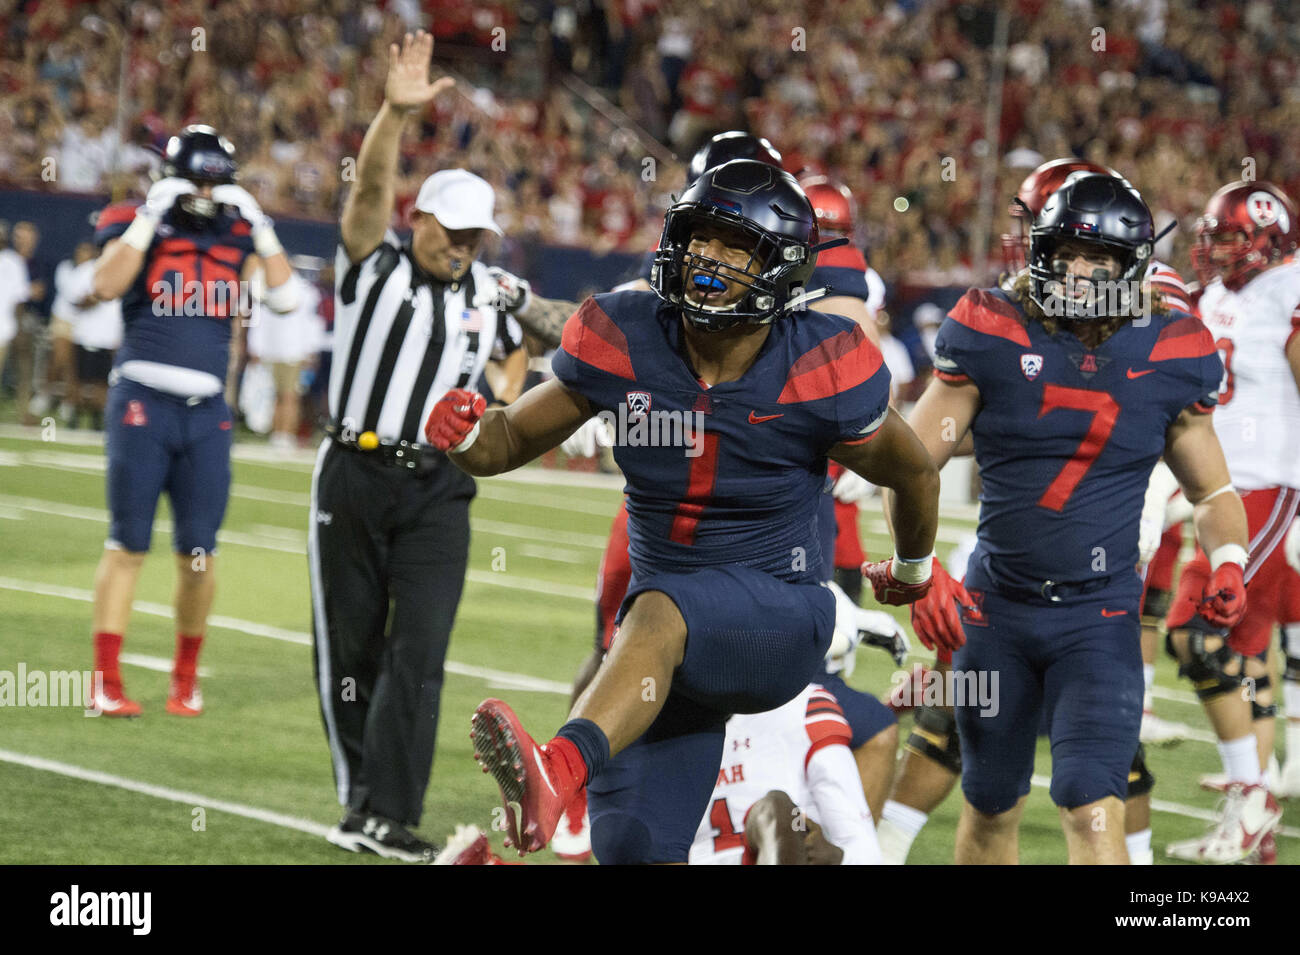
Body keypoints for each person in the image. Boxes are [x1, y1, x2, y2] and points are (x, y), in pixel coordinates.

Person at [426, 156, 941, 864]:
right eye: (700, 236)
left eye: (735, 245)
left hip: (781, 617)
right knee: (633, 846)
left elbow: (914, 471)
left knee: (664, 607)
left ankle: (561, 768)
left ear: (782, 268)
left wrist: (914, 567)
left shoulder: (819, 358)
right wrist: (467, 434)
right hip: (664, 648)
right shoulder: (627, 331)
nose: (708, 256)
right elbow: (509, 436)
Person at [899, 172, 1249, 864]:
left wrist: (1230, 557)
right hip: (995, 610)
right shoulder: (992, 326)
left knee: (1091, 805)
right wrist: (917, 566)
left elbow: (1213, 492)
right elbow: (912, 461)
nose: (1080, 273)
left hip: (1099, 620)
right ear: (1042, 252)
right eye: (1067, 254)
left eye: (1099, 261)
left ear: (1134, 267)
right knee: (990, 800)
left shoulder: (1170, 348)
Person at [310, 31, 549, 863]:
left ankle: (392, 814)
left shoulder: (490, 287)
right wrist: (392, 115)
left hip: (440, 489)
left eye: (476, 233)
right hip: (355, 470)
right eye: (451, 229)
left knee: (422, 649)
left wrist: (506, 398)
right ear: (420, 220)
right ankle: (359, 800)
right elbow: (370, 189)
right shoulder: (373, 265)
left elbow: (535, 338)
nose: (463, 245)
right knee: (350, 648)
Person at [87, 124, 297, 719]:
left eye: (215, 182)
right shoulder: (135, 218)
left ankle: (185, 676)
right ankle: (105, 679)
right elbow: (105, 284)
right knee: (127, 542)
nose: (205, 193)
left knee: (199, 552)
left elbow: (285, 299)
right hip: (141, 400)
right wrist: (151, 216)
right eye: (196, 180)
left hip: (207, 412)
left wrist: (259, 221)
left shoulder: (237, 231)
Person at [1161, 179, 1300, 864]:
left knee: (1193, 630)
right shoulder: (1214, 296)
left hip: (1268, 483)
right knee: (1243, 645)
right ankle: (1253, 815)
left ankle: (1254, 794)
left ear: (1268, 238)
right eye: (1211, 236)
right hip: (1220, 484)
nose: (1214, 249)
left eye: (1229, 236)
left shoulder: (1290, 290)